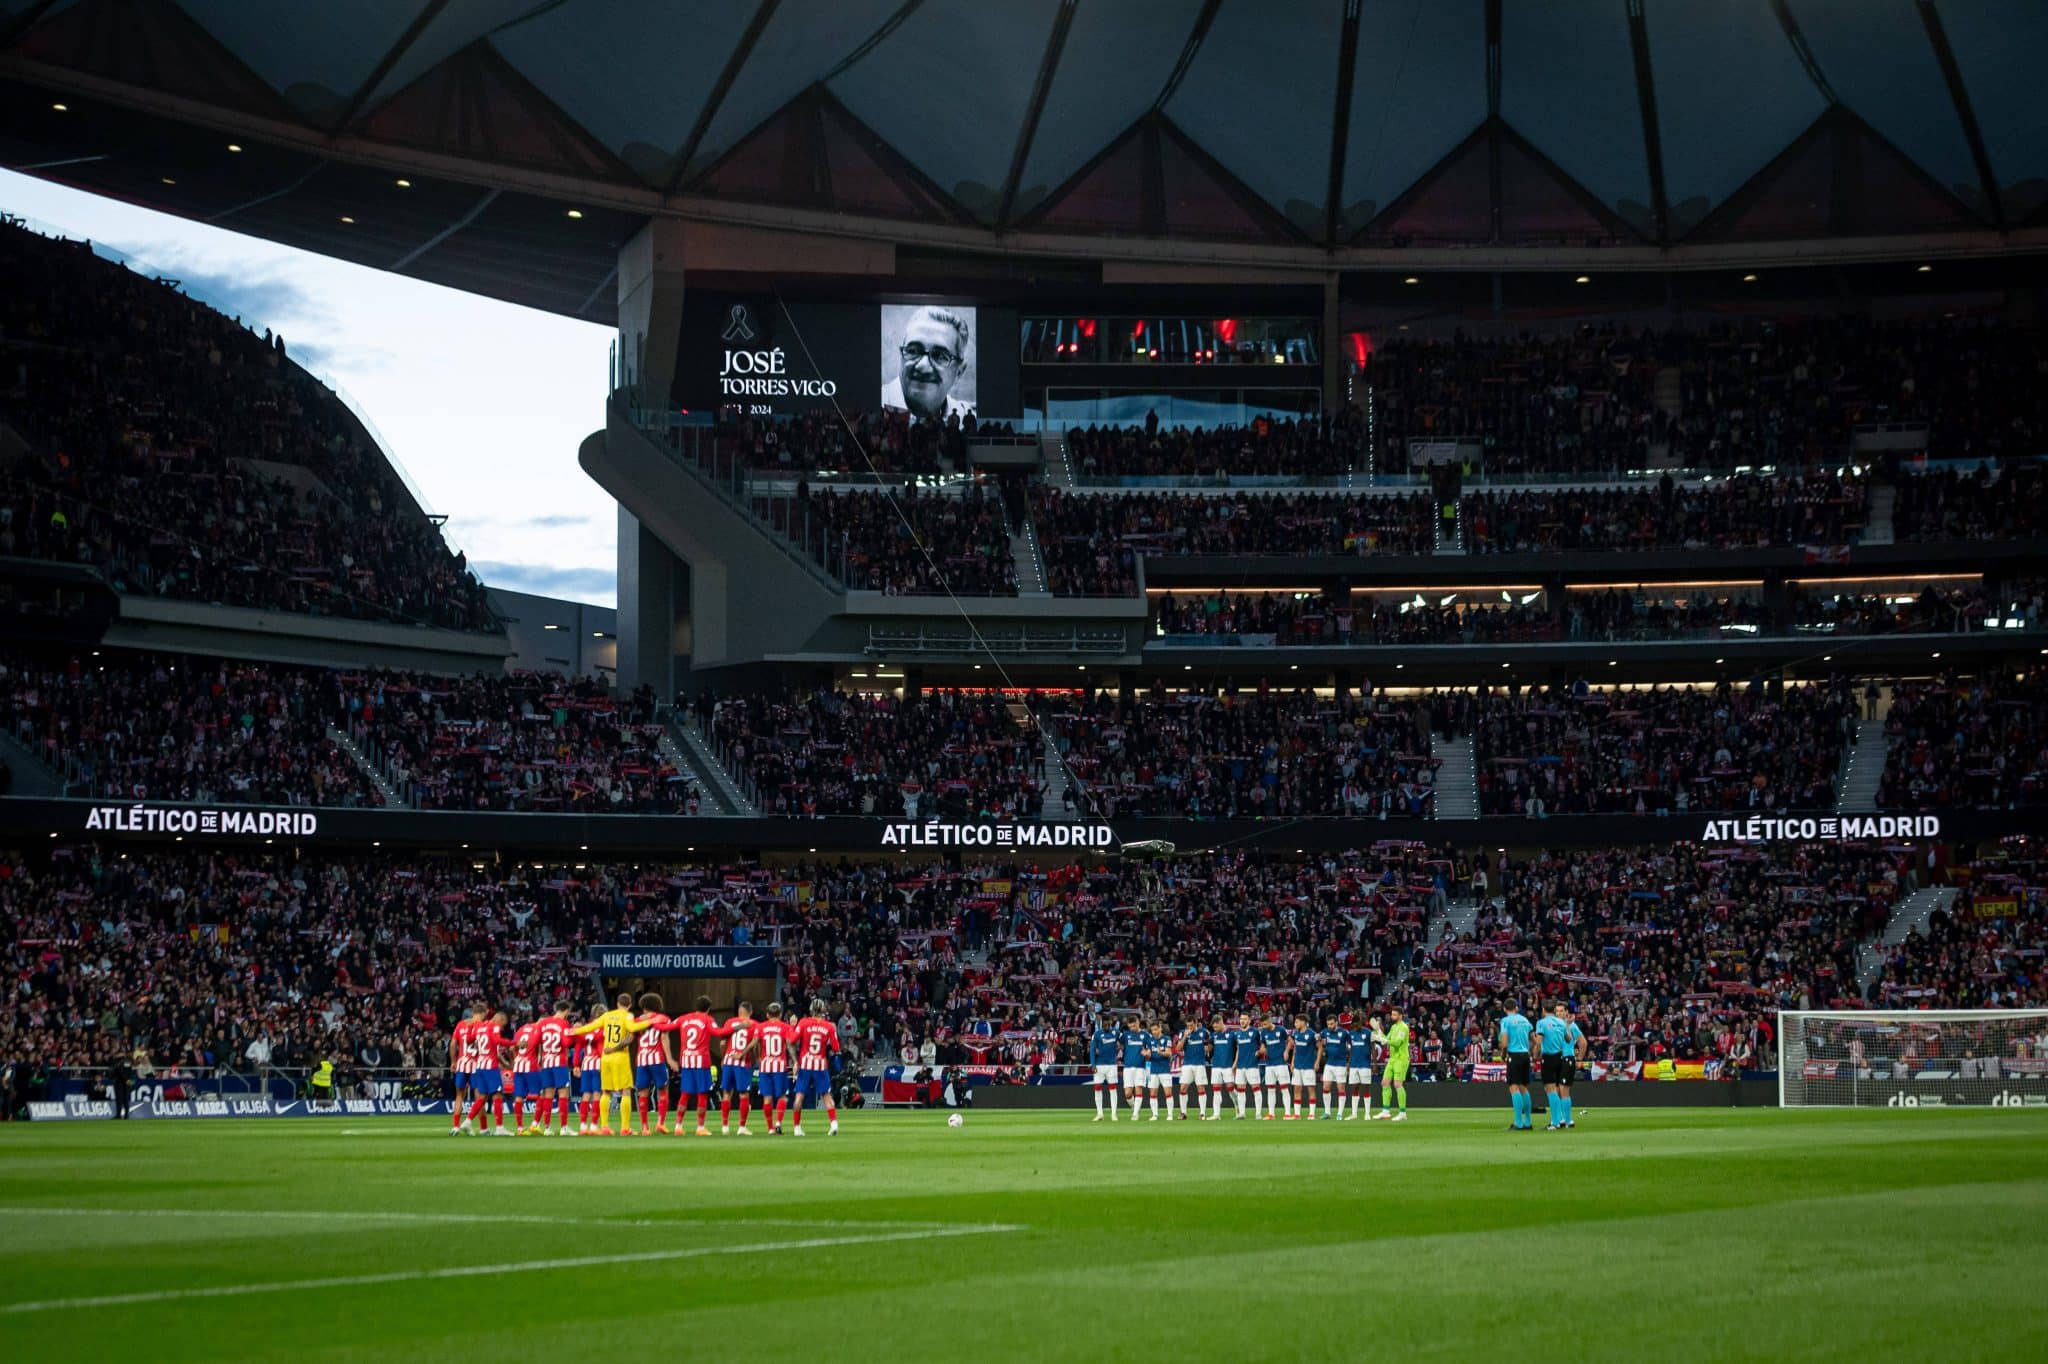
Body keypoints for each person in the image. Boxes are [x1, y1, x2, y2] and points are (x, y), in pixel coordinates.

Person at [570, 992, 654, 1137]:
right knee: (626, 1090)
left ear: (617, 1004)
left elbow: (590, 1027)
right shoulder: (627, 1016)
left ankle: (604, 1127)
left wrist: (574, 1030)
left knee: (605, 1091)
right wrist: (650, 1021)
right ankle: (625, 1128)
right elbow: (632, 1028)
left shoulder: (607, 1016)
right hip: (619, 1057)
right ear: (629, 1005)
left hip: (605, 1057)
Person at [881, 306, 973, 423]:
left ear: (959, 372)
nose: (923, 367)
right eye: (913, 351)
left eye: (940, 356)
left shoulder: (965, 418)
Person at [665, 995, 716, 1136]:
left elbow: (667, 1026)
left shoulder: (683, 1018)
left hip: (686, 1061)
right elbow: (718, 1032)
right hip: (701, 1062)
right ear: (708, 1009)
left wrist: (652, 1021)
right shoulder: (708, 1019)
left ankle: (678, 1126)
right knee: (702, 1094)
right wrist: (738, 1027)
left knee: (685, 1094)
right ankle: (700, 1128)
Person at [790, 999, 841, 1136]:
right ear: (823, 1010)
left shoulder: (803, 1023)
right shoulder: (829, 1026)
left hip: (805, 1064)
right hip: (820, 1065)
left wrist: (793, 1026)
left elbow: (792, 1040)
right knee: (826, 1095)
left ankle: (796, 1127)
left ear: (811, 1009)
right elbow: (836, 1048)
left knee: (799, 1096)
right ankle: (834, 1123)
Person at [630, 994, 674, 1136]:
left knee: (643, 1092)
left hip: (642, 1060)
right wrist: (670, 1059)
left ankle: (645, 1127)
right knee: (663, 1089)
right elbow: (664, 1037)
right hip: (657, 1060)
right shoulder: (663, 1019)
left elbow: (630, 1038)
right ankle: (661, 1123)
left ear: (643, 1006)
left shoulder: (637, 1021)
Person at [463, 1010, 512, 1135]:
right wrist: (514, 1043)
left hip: (480, 1066)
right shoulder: (494, 1026)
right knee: (497, 1096)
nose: (502, 1028)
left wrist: (470, 1027)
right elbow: (497, 1040)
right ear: (499, 1020)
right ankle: (500, 1128)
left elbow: (468, 1040)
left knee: (482, 1097)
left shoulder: (479, 1026)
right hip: (490, 1067)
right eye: (503, 1024)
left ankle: (467, 1121)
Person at [714, 1001, 758, 1136]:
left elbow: (722, 1043)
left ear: (739, 1012)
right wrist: (750, 1057)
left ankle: (725, 1126)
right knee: (743, 1094)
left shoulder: (729, 1022)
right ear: (750, 1012)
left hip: (728, 1061)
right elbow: (754, 1044)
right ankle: (742, 1127)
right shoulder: (754, 1024)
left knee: (727, 1093)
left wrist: (723, 1057)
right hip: (742, 1063)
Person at [533, 1003, 574, 1136]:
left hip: (546, 1063)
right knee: (563, 1095)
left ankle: (547, 1128)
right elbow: (567, 1043)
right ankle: (563, 1128)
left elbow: (535, 1041)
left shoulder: (543, 1023)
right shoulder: (564, 1023)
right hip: (559, 1062)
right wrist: (571, 1034)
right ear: (566, 1010)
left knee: (548, 1095)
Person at [1535, 1002, 1574, 1131]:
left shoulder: (1541, 1023)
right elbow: (1568, 1039)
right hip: (1560, 1057)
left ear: (1544, 1009)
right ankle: (1563, 1120)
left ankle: (1555, 1122)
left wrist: (1535, 1053)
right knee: (1557, 1089)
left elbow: (1539, 1041)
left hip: (1548, 1058)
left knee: (1550, 1089)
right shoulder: (1561, 1023)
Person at [755, 1002, 793, 1135]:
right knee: (782, 1097)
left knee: (767, 1098)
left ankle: (770, 1128)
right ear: (781, 1014)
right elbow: (790, 1044)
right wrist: (795, 1061)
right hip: (780, 1067)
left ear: (767, 1014)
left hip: (765, 1066)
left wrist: (758, 1059)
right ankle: (778, 1122)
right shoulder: (785, 1027)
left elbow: (755, 1045)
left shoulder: (760, 1027)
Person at [1500, 1000, 1536, 1131]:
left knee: (1514, 1088)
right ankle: (1528, 1122)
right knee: (1524, 1088)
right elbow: (1535, 1040)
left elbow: (1504, 1043)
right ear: (1516, 1008)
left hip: (1514, 1056)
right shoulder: (1525, 1020)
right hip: (1525, 1055)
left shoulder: (1505, 1021)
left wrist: (1504, 1054)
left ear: (1505, 1009)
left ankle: (1518, 1123)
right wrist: (1529, 1050)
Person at [1371, 1009, 1410, 1121]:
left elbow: (1397, 1043)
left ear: (1400, 1015)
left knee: (1398, 1085)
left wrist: (1382, 1039)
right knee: (1384, 1083)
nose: (1392, 1016)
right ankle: (1386, 1111)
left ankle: (1402, 1113)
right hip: (1392, 1059)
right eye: (1392, 1014)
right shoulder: (1393, 1027)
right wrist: (1378, 1031)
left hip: (1401, 1059)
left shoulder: (1403, 1027)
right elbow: (1386, 1039)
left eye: (1394, 1014)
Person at [574, 1005, 607, 1134]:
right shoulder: (603, 1028)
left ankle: (583, 1126)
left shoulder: (585, 1028)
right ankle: (593, 1126)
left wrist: (576, 1065)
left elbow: (577, 1048)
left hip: (586, 1064)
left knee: (586, 1095)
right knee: (597, 1094)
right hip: (598, 1064)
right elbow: (601, 1047)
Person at [448, 1004, 480, 1134]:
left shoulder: (460, 1025)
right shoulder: (480, 1026)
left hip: (461, 1063)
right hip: (475, 1065)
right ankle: (478, 1126)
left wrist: (453, 1062)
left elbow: (453, 1044)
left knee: (459, 1096)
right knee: (479, 1097)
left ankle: (455, 1126)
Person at [1089, 1014, 1124, 1122]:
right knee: (1098, 1088)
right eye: (1105, 1024)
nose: (1107, 1026)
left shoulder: (1116, 1032)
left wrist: (1120, 1047)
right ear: (1102, 1024)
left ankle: (1114, 1114)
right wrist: (1093, 1064)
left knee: (1112, 1089)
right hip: (1099, 1065)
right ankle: (1100, 1113)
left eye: (1108, 1024)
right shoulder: (1097, 1034)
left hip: (1112, 1065)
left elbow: (1125, 1040)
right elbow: (1092, 1049)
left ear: (1111, 1023)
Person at [508, 1015, 540, 1132]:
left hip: (518, 1066)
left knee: (519, 1097)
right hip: (531, 1066)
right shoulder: (538, 1030)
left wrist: (514, 1061)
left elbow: (511, 1048)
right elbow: (540, 1047)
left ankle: (520, 1127)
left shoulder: (520, 1030)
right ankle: (535, 1124)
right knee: (541, 1095)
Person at [1178, 1014, 1212, 1121]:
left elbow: (1209, 1047)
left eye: (1191, 1025)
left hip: (1199, 1064)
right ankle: (1183, 1113)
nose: (1190, 1027)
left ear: (1196, 1023)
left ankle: (1202, 1113)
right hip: (1187, 1064)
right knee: (1183, 1088)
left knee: (1200, 1088)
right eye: (1188, 1025)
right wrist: (1184, 1036)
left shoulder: (1204, 1032)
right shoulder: (1183, 1033)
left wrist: (1207, 1046)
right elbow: (1178, 1048)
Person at [1259, 1012, 1292, 1119]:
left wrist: (1286, 1051)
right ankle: (1271, 1113)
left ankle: (1287, 1113)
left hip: (1281, 1063)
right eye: (1262, 1025)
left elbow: (1290, 1041)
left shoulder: (1281, 1029)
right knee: (1270, 1089)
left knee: (1284, 1088)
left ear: (1269, 1022)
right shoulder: (1263, 1033)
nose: (1263, 1027)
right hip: (1269, 1064)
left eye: (1264, 1024)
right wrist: (1263, 1048)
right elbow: (1263, 1044)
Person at [1319, 1014, 1352, 1121]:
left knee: (1341, 1088)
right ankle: (1327, 1112)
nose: (1329, 1026)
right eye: (1328, 1024)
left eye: (1331, 1024)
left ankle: (1339, 1113)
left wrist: (1349, 1063)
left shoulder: (1344, 1033)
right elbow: (1319, 1038)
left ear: (1336, 1023)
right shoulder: (1325, 1032)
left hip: (1341, 1064)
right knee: (1326, 1087)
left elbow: (1352, 1046)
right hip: (1329, 1064)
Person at [1230, 1011, 1261, 1119]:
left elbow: (1263, 1044)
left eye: (1245, 1019)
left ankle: (1258, 1114)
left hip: (1252, 1065)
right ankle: (1242, 1113)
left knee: (1256, 1089)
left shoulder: (1255, 1032)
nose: (1242, 1021)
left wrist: (1260, 1051)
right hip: (1240, 1066)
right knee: (1240, 1089)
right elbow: (1238, 1049)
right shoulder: (1237, 1034)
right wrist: (1235, 1064)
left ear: (1249, 1020)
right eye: (1241, 1019)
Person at [1289, 1014, 1321, 1120]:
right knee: (1297, 1089)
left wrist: (1317, 1062)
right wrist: (1292, 1062)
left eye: (1297, 1022)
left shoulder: (1312, 1034)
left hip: (1308, 1066)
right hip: (1297, 1066)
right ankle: (1297, 1114)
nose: (1295, 1024)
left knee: (1310, 1089)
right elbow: (1296, 1048)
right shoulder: (1296, 1034)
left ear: (1303, 1022)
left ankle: (1311, 1113)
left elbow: (1320, 1048)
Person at [1345, 1014, 1375, 1121]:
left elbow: (1373, 1049)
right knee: (1355, 1087)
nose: (1355, 1026)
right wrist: (1348, 1063)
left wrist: (1374, 1064)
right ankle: (1354, 1114)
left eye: (1356, 1024)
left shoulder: (1368, 1033)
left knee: (1366, 1087)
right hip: (1354, 1064)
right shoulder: (1351, 1034)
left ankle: (1367, 1114)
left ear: (1360, 1022)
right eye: (1353, 1024)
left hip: (1365, 1064)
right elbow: (1352, 1050)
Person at [1144, 1017, 1175, 1120]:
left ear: (1160, 1028)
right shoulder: (1149, 1040)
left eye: (1156, 1029)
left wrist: (1160, 1052)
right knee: (1153, 1093)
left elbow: (1169, 1053)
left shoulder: (1166, 1039)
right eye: (1152, 1030)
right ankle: (1155, 1115)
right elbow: (1148, 1054)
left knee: (1168, 1092)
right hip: (1153, 1070)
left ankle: (1170, 1114)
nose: (1154, 1032)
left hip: (1164, 1070)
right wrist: (1146, 1054)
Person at [1120, 1018, 1149, 1119]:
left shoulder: (1146, 1036)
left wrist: (1147, 1054)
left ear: (1138, 1023)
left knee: (1138, 1090)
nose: (1132, 1028)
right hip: (1127, 1067)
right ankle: (1134, 1108)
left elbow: (1150, 1051)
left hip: (1140, 1067)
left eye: (1134, 1026)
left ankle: (1135, 1114)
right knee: (1128, 1094)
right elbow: (1118, 1044)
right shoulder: (1126, 1035)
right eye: (1130, 1027)